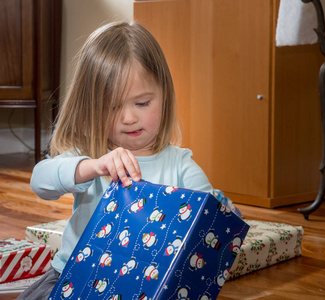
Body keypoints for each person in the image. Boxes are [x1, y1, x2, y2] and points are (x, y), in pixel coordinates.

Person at [17, 21, 213, 300]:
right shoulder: (92, 154)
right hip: (74, 277)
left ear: (165, 96)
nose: (129, 118)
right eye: (112, 106)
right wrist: (93, 167)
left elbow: (210, 219)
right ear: (91, 107)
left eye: (142, 103)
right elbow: (40, 181)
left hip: (142, 289)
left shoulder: (180, 166)